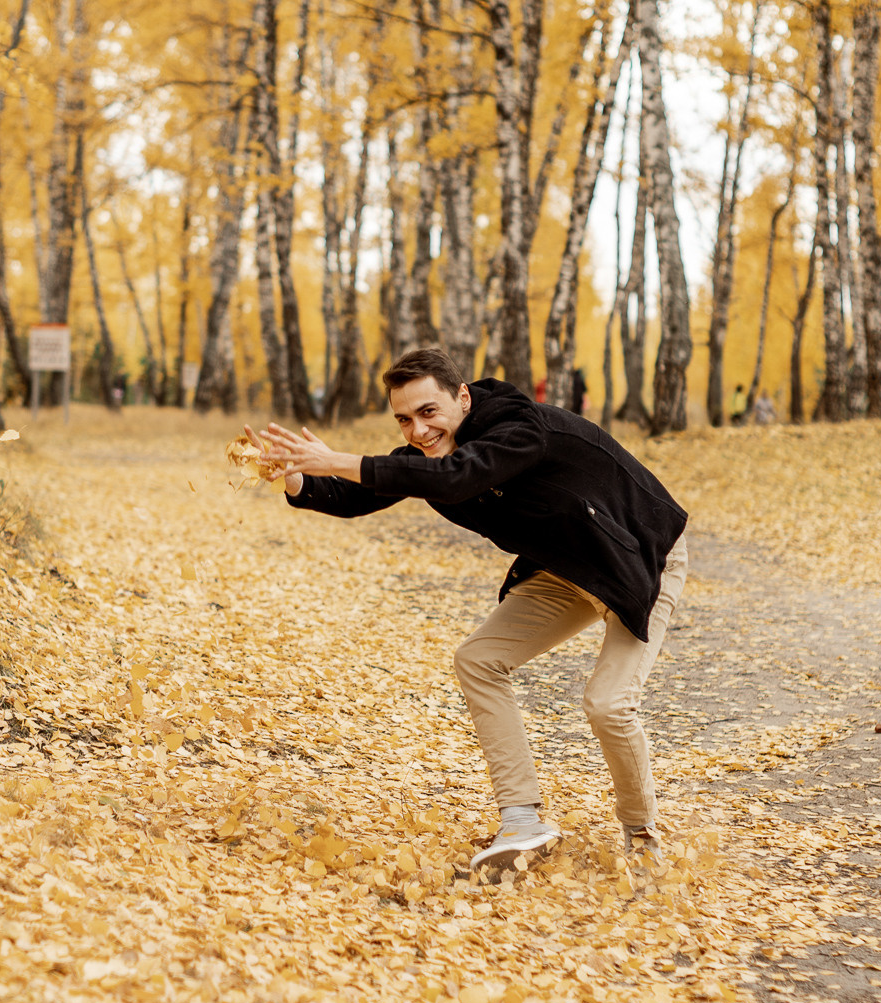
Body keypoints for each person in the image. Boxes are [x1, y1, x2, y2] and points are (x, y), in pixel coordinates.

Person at [249, 347, 688, 874]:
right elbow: (355, 495)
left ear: (463, 397)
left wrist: (336, 457)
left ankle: (642, 837)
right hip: (562, 570)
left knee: (608, 705)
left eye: (428, 412)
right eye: (405, 419)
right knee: (478, 659)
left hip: (638, 559)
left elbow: (460, 476)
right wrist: (294, 475)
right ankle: (524, 820)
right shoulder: (433, 455)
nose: (417, 431)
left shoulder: (520, 425)